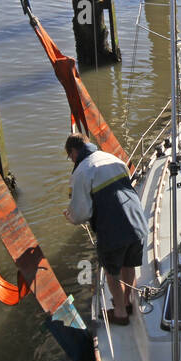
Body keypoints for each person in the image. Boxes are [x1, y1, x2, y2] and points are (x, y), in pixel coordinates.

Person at [63, 134, 147, 326]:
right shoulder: (112, 158)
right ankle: (128, 303)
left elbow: (80, 213)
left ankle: (120, 313)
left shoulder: (82, 172)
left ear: (73, 152)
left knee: (112, 272)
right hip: (136, 221)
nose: (72, 160)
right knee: (129, 264)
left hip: (112, 229)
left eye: (70, 157)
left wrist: (70, 217)